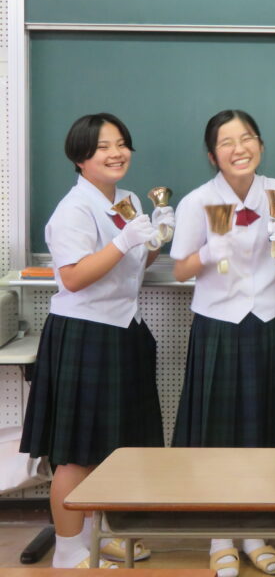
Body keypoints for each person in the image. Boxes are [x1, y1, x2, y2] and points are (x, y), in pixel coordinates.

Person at [21, 113, 169, 569]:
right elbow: (74, 277)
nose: (116, 153)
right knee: (75, 452)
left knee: (111, 445)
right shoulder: (73, 210)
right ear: (80, 157)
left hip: (124, 329)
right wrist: (125, 241)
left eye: (122, 143)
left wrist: (156, 239)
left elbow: (133, 265)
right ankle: (69, 551)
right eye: (103, 146)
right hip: (84, 334)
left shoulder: (126, 200)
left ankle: (94, 536)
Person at [170, 109, 275, 577]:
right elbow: (180, 269)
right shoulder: (197, 202)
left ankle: (254, 533)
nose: (239, 148)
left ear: (260, 145)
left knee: (262, 430)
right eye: (226, 142)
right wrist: (209, 253)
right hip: (220, 329)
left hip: (267, 322)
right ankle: (220, 536)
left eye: (247, 138)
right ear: (213, 155)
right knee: (220, 433)